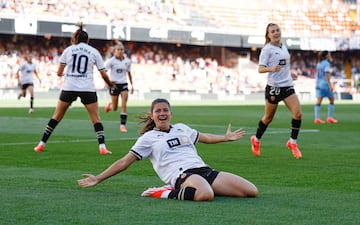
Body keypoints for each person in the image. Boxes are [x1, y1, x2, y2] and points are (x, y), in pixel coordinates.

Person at [78, 98, 258, 201]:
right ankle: (163, 192)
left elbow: (205, 137)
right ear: (152, 115)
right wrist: (98, 178)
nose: (162, 113)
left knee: (251, 191)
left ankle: (198, 188)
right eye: (158, 111)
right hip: (183, 175)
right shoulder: (148, 138)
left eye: (165, 110)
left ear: (171, 113)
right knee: (205, 195)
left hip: (204, 170)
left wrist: (225, 138)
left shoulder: (181, 127)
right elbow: (125, 161)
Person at [34, 23, 115, 154]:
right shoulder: (94, 52)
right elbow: (103, 74)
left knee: (56, 116)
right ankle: (102, 147)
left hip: (69, 87)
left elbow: (59, 73)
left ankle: (41, 144)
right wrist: (111, 85)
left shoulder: (68, 50)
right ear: (87, 40)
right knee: (96, 118)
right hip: (87, 88)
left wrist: (69, 74)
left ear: (75, 39)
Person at [250, 23, 302, 159]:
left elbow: (285, 66)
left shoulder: (283, 46)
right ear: (268, 35)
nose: (276, 33)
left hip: (288, 85)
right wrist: (271, 69)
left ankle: (292, 142)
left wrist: (291, 75)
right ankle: (256, 139)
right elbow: (260, 69)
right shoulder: (267, 50)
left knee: (298, 114)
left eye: (277, 30)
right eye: (272, 31)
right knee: (268, 118)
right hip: (274, 88)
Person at [104, 42, 134, 132]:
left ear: (124, 51)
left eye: (121, 50)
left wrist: (132, 85)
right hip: (114, 84)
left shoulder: (127, 61)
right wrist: (107, 82)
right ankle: (110, 105)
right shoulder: (111, 61)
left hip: (124, 84)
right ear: (115, 51)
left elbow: (129, 73)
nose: (120, 51)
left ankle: (122, 125)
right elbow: (104, 71)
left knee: (124, 104)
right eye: (118, 50)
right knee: (115, 108)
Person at [314, 51, 338, 124]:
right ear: (326, 56)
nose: (330, 56)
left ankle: (317, 118)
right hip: (325, 84)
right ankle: (329, 118)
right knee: (332, 100)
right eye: (329, 55)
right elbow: (327, 75)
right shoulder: (326, 63)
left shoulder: (319, 63)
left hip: (318, 84)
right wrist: (330, 85)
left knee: (319, 101)